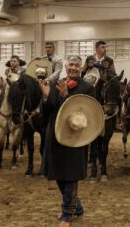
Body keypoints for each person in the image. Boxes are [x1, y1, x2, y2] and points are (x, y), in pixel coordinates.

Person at [39, 55, 95, 227]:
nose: (73, 68)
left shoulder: (88, 88)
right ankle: (76, 207)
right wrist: (47, 97)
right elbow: (46, 113)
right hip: (55, 137)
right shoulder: (57, 84)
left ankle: (67, 216)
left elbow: (85, 114)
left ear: (81, 67)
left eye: (76, 65)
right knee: (58, 175)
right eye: (70, 64)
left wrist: (66, 97)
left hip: (75, 139)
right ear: (65, 66)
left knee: (70, 176)